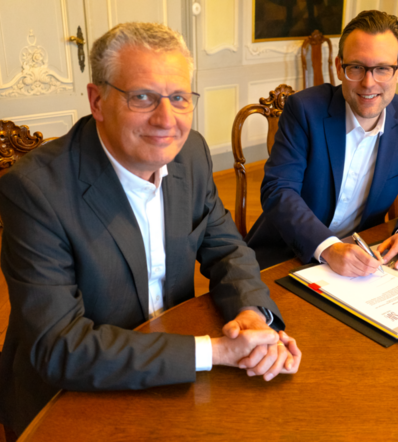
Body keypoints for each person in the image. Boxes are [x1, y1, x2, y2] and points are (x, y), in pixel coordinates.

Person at [0, 22, 301, 436]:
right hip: (72, 396)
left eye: (179, 97)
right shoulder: (35, 189)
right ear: (98, 101)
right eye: (142, 97)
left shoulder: (190, 153)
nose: (166, 120)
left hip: (172, 365)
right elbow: (59, 347)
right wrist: (214, 352)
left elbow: (227, 249)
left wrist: (252, 315)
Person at [246, 10, 398, 276]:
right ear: (339, 67)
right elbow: (278, 190)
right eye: (356, 67)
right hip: (287, 256)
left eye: (382, 69)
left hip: (363, 259)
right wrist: (328, 247)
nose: (368, 83)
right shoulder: (304, 110)